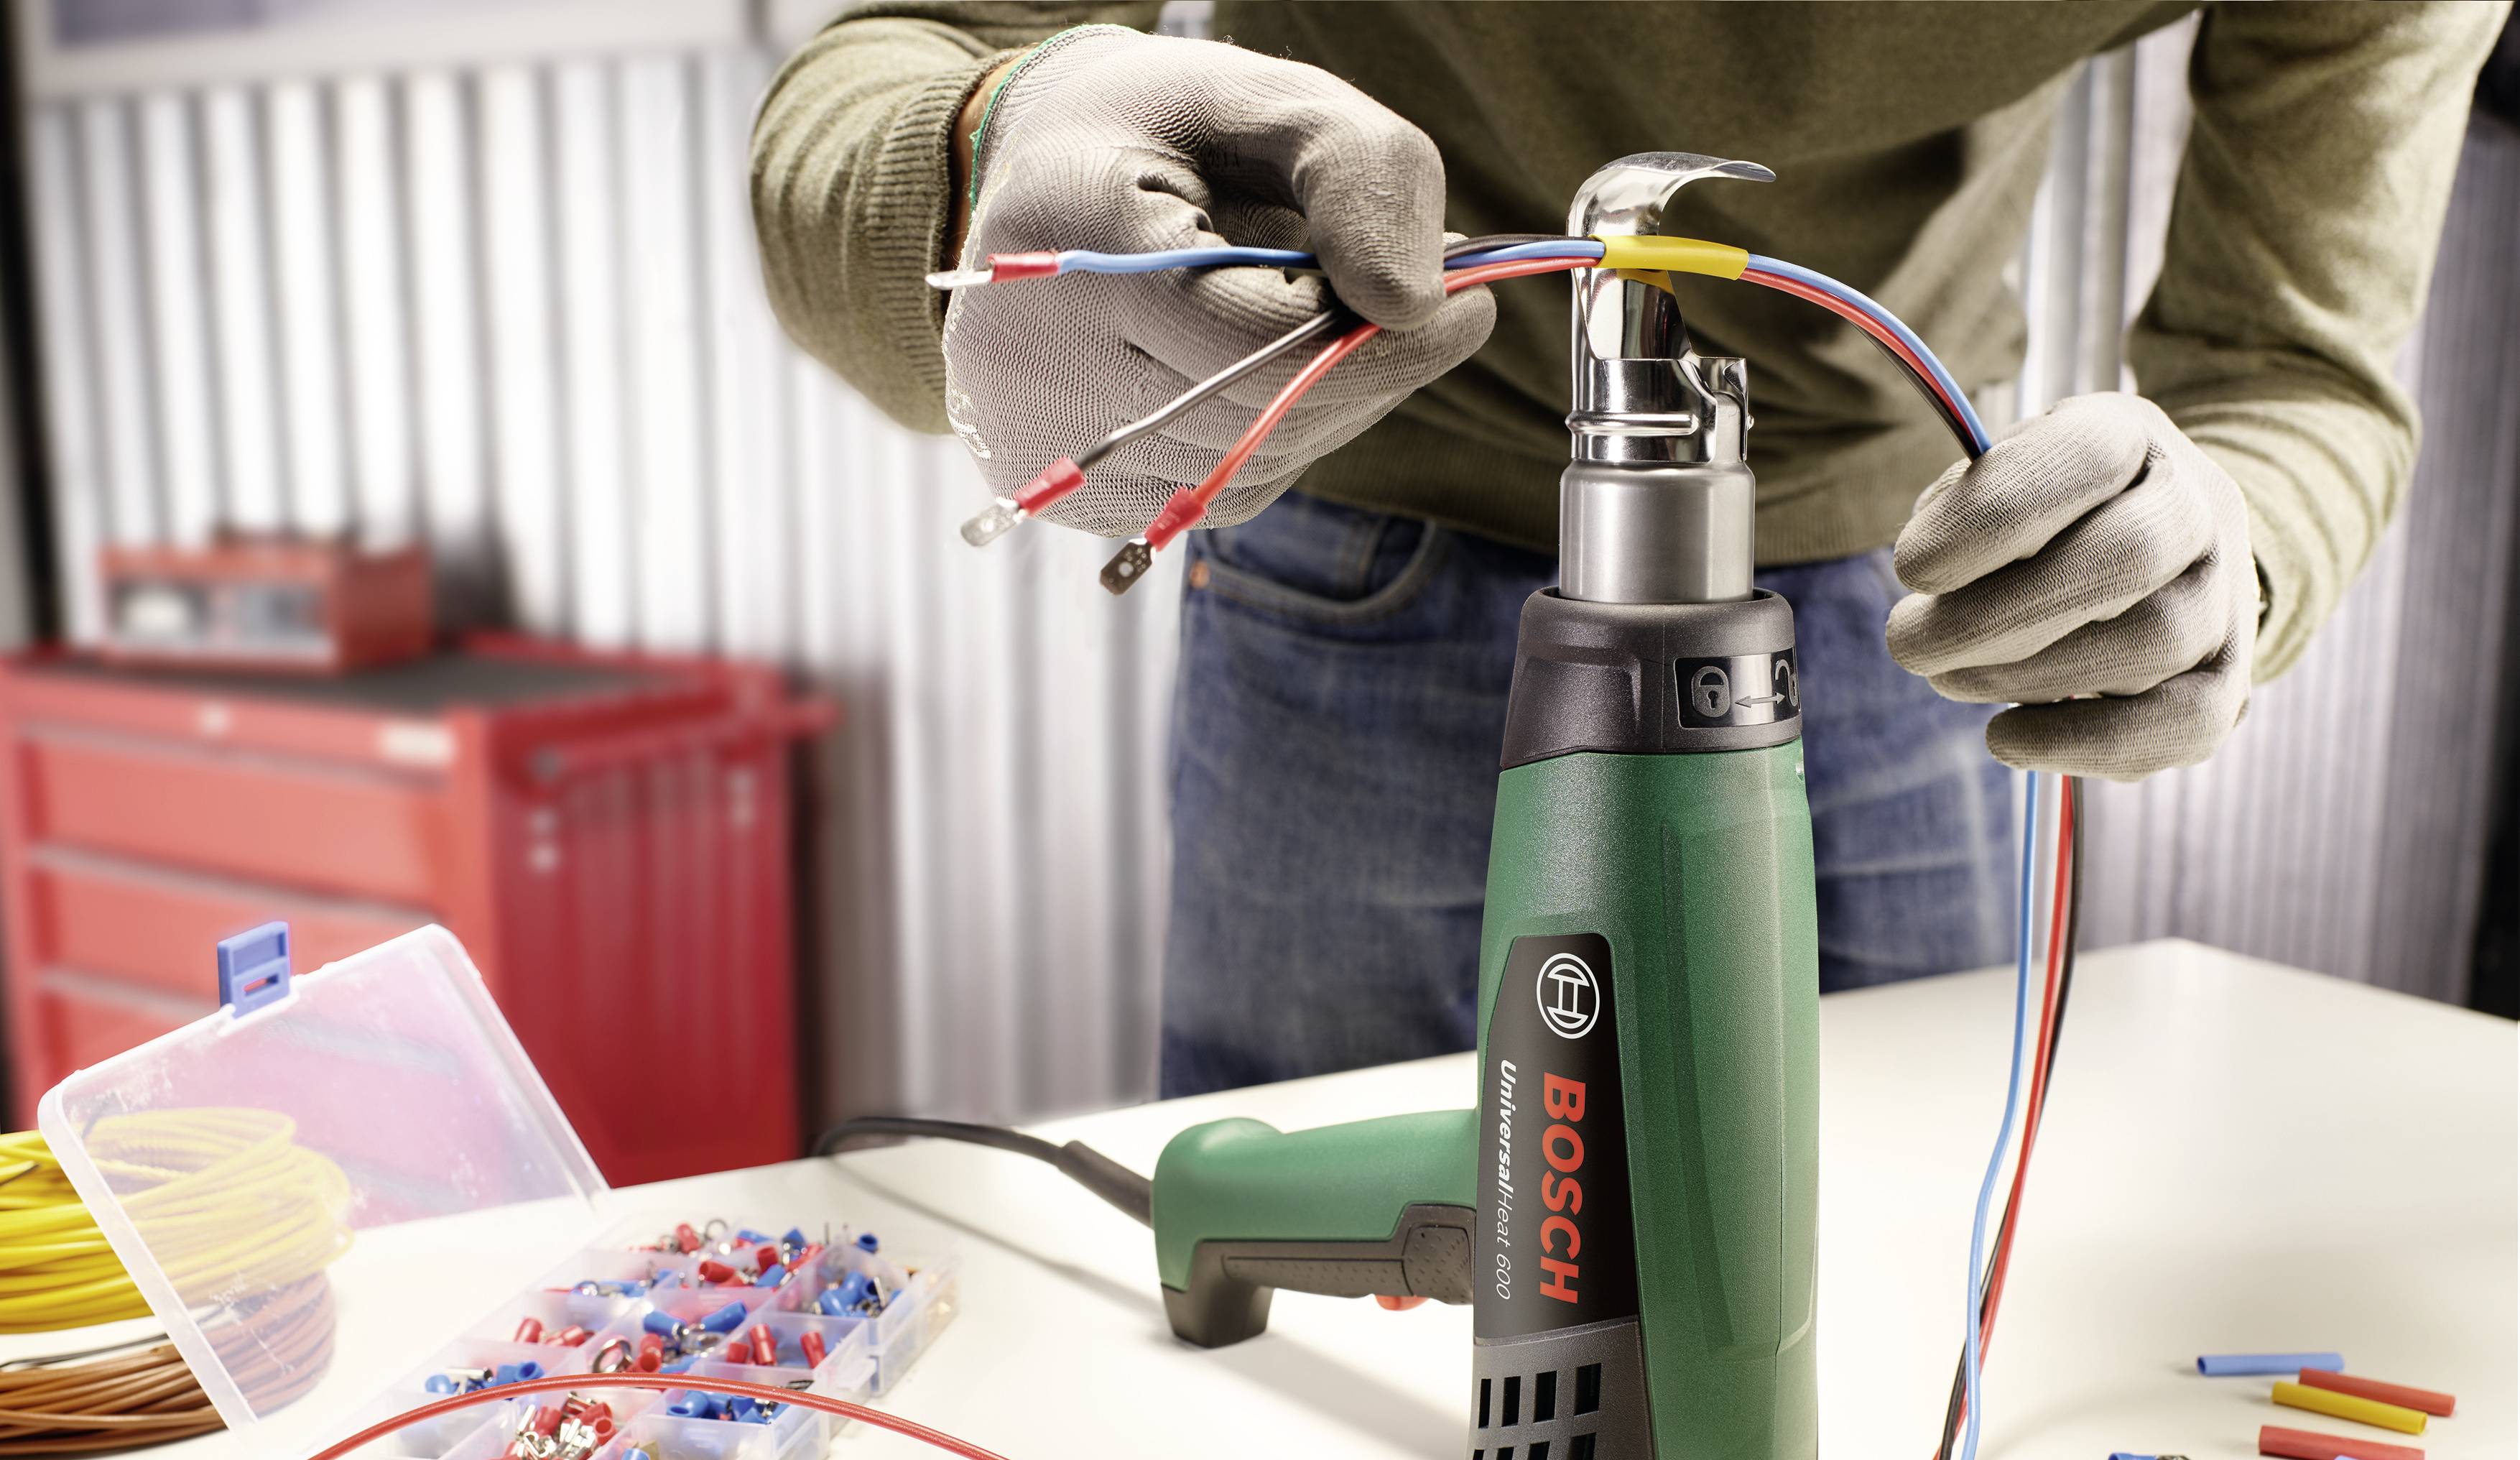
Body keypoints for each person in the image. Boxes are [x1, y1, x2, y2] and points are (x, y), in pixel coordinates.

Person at [752, 1, 2504, 1096]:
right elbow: (884, 85)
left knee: (1881, 1300)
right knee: (1296, 1336)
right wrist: (981, 174)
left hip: (1916, 624)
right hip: (1366, 573)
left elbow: (2295, 371)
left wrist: (2227, 563)